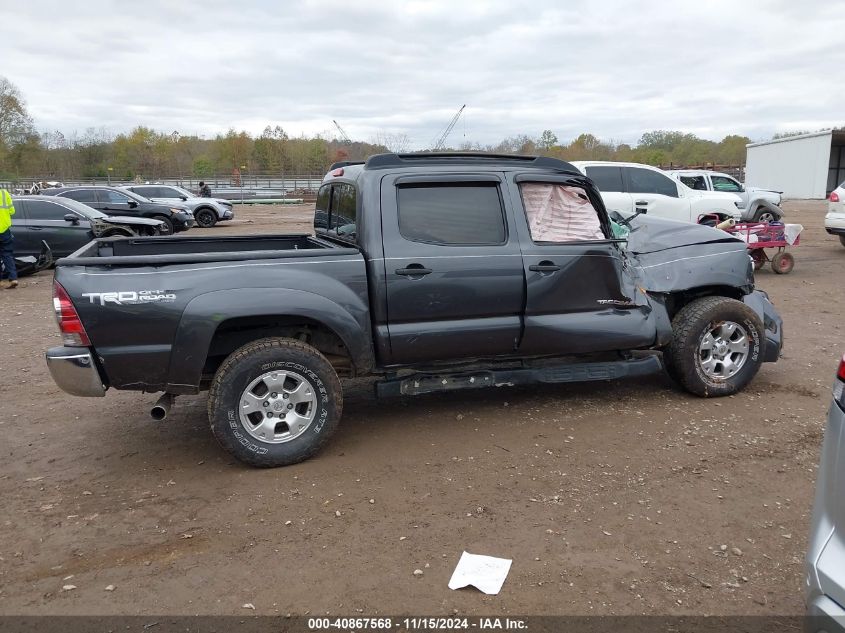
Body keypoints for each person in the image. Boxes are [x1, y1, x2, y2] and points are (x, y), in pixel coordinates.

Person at [0, 187, 18, 289]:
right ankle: (13, 279)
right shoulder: (4, 193)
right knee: (7, 254)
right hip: (4, 229)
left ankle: (0, 282)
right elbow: (12, 211)